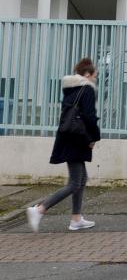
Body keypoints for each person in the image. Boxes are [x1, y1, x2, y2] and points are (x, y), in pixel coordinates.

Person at [26, 58, 102, 233]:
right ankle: (39, 209)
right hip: (78, 138)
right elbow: (89, 117)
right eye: (95, 75)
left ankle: (76, 219)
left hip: (69, 136)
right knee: (75, 182)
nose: (95, 79)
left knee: (81, 179)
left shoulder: (71, 89)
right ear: (88, 74)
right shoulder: (87, 89)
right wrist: (94, 137)